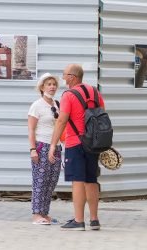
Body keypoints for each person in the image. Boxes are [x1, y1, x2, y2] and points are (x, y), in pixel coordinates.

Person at [48, 64, 105, 231]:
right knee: (91, 180)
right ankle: (94, 220)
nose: (63, 78)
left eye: (65, 75)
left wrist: (53, 144)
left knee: (78, 181)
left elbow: (62, 120)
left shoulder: (69, 95)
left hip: (75, 142)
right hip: (93, 143)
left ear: (72, 77)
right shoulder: (95, 92)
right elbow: (102, 115)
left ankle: (79, 220)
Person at [28, 73, 62, 225]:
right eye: (49, 84)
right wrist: (33, 149)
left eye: (54, 84)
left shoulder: (57, 104)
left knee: (51, 181)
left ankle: (45, 213)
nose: (52, 87)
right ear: (42, 87)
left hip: (56, 146)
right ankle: (36, 215)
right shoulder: (37, 105)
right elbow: (31, 130)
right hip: (42, 146)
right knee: (40, 181)